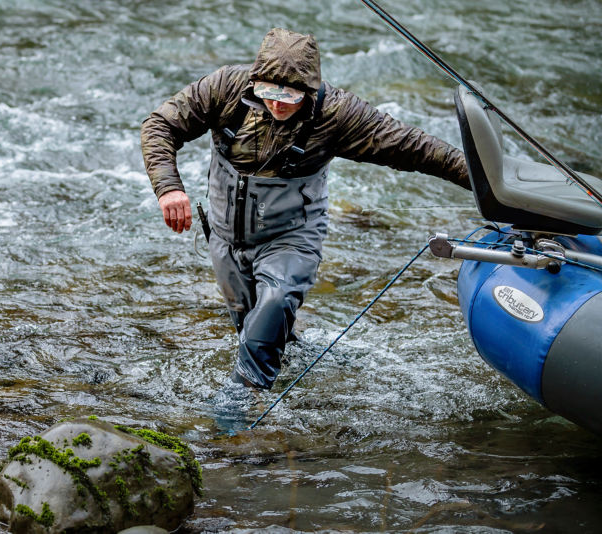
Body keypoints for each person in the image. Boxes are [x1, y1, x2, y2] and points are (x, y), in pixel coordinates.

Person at [140, 28, 470, 391]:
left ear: (309, 91)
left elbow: (415, 147)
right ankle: (296, 388)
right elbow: (160, 125)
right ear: (255, 82)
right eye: (269, 93)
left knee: (275, 302)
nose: (278, 104)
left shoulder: (338, 113)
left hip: (291, 236)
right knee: (253, 327)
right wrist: (168, 187)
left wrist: (486, 183)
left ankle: (241, 405)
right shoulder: (224, 88)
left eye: (290, 95)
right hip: (224, 236)